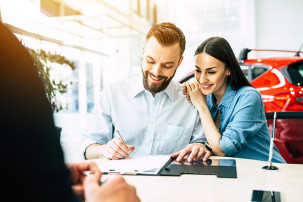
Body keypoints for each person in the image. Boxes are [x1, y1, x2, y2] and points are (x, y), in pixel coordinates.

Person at [0, 22, 140, 202]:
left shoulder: (8, 51)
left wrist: (55, 179)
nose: (157, 70)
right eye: (151, 61)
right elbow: (88, 143)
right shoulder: (8, 55)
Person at [82, 22, 211, 162]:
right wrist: (104, 150)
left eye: (167, 66)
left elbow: (201, 143)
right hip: (121, 180)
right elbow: (89, 146)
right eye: (150, 61)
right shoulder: (113, 93)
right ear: (143, 52)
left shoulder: (191, 100)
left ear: (179, 62)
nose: (156, 72)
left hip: (172, 183)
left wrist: (200, 147)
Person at [178, 37, 285, 163]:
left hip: (267, 173)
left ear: (228, 69)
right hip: (236, 172)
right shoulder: (207, 98)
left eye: (211, 72)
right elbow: (211, 142)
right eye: (198, 70)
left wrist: (201, 106)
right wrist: (203, 146)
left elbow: (221, 150)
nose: (202, 79)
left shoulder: (249, 97)